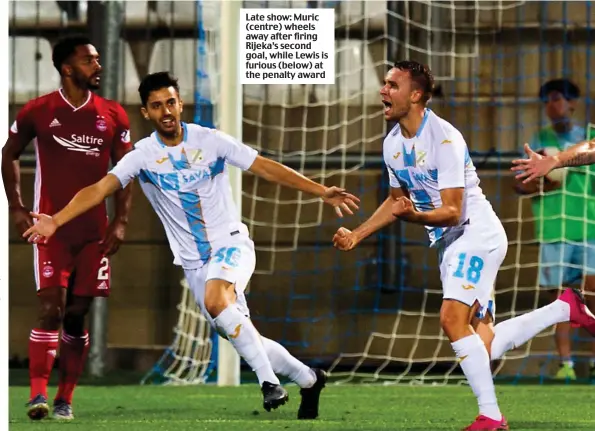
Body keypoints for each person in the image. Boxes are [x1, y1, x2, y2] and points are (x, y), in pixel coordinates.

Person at [22, 71, 360, 419]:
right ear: (146, 113)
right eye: (156, 106)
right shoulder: (143, 155)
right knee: (239, 333)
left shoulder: (210, 140)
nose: (166, 111)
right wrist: (56, 219)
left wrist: (321, 190)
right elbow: (99, 189)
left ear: (180, 104)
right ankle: (309, 378)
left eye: (171, 102)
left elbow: (264, 167)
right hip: (194, 264)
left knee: (218, 301)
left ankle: (268, 383)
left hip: (230, 245)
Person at [331, 60, 595, 431]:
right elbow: (396, 201)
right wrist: (358, 234)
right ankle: (562, 309)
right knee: (481, 346)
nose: (383, 90)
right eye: (385, 84)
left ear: (417, 95)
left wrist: (411, 217)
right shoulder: (392, 143)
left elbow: (453, 211)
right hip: (450, 244)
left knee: (451, 319)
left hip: (475, 234)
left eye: (393, 85)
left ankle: (491, 416)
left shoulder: (444, 139)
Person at [2, 35, 133, 421]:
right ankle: (37, 396)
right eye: (90, 60)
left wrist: (122, 221)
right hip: (51, 229)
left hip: (95, 233)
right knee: (51, 310)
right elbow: (8, 154)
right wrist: (18, 208)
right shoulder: (38, 111)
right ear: (68, 68)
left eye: (97, 58)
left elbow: (127, 172)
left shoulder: (113, 114)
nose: (98, 66)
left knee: (76, 314)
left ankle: (65, 398)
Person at [511, 79, 595, 380]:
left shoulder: (588, 139)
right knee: (562, 301)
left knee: (592, 295)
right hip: (552, 230)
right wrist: (537, 181)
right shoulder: (538, 141)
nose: (552, 105)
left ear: (572, 103)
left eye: (557, 98)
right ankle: (567, 365)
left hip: (589, 227)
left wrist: (561, 164)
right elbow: (519, 184)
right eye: (547, 100)